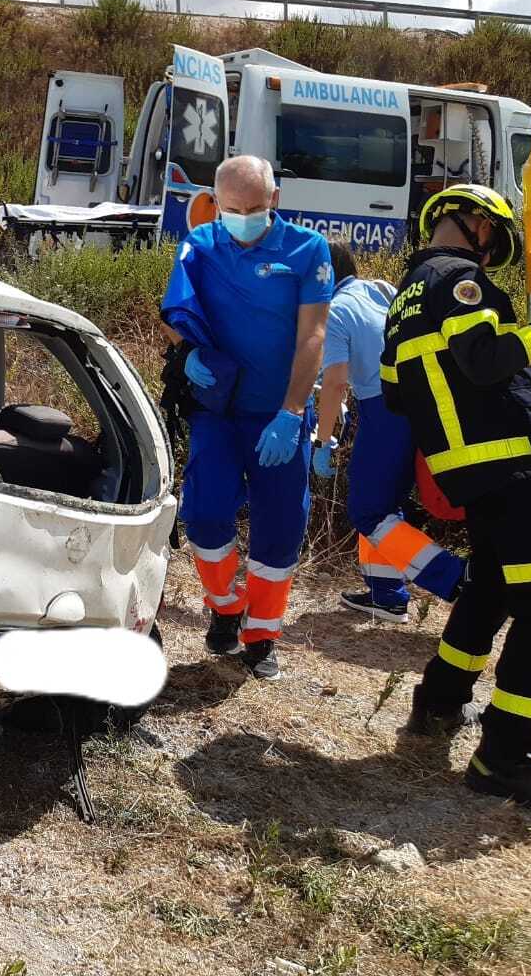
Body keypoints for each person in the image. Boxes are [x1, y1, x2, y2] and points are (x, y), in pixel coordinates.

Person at [382, 183, 531, 814]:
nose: (492, 258)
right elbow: (486, 362)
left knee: (490, 590)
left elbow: (395, 393)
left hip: (471, 475)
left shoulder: (403, 296)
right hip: (510, 469)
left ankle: (437, 703)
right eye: (494, 241)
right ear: (475, 226)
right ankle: (504, 758)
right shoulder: (459, 278)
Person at [161, 155, 332, 679]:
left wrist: (292, 411)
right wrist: (185, 352)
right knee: (204, 515)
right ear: (217, 204)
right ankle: (224, 605)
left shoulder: (307, 250)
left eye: (255, 207)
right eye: (234, 209)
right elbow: (174, 315)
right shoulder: (200, 246)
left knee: (279, 527)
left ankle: (261, 635)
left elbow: (313, 335)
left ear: (274, 198)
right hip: (219, 411)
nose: (245, 218)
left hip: (278, 414)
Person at [314, 240, 466, 622]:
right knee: (384, 506)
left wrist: (322, 439)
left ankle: (457, 579)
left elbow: (334, 383)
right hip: (425, 402)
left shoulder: (335, 310)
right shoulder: (381, 288)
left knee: (366, 509)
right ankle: (386, 593)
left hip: (385, 410)